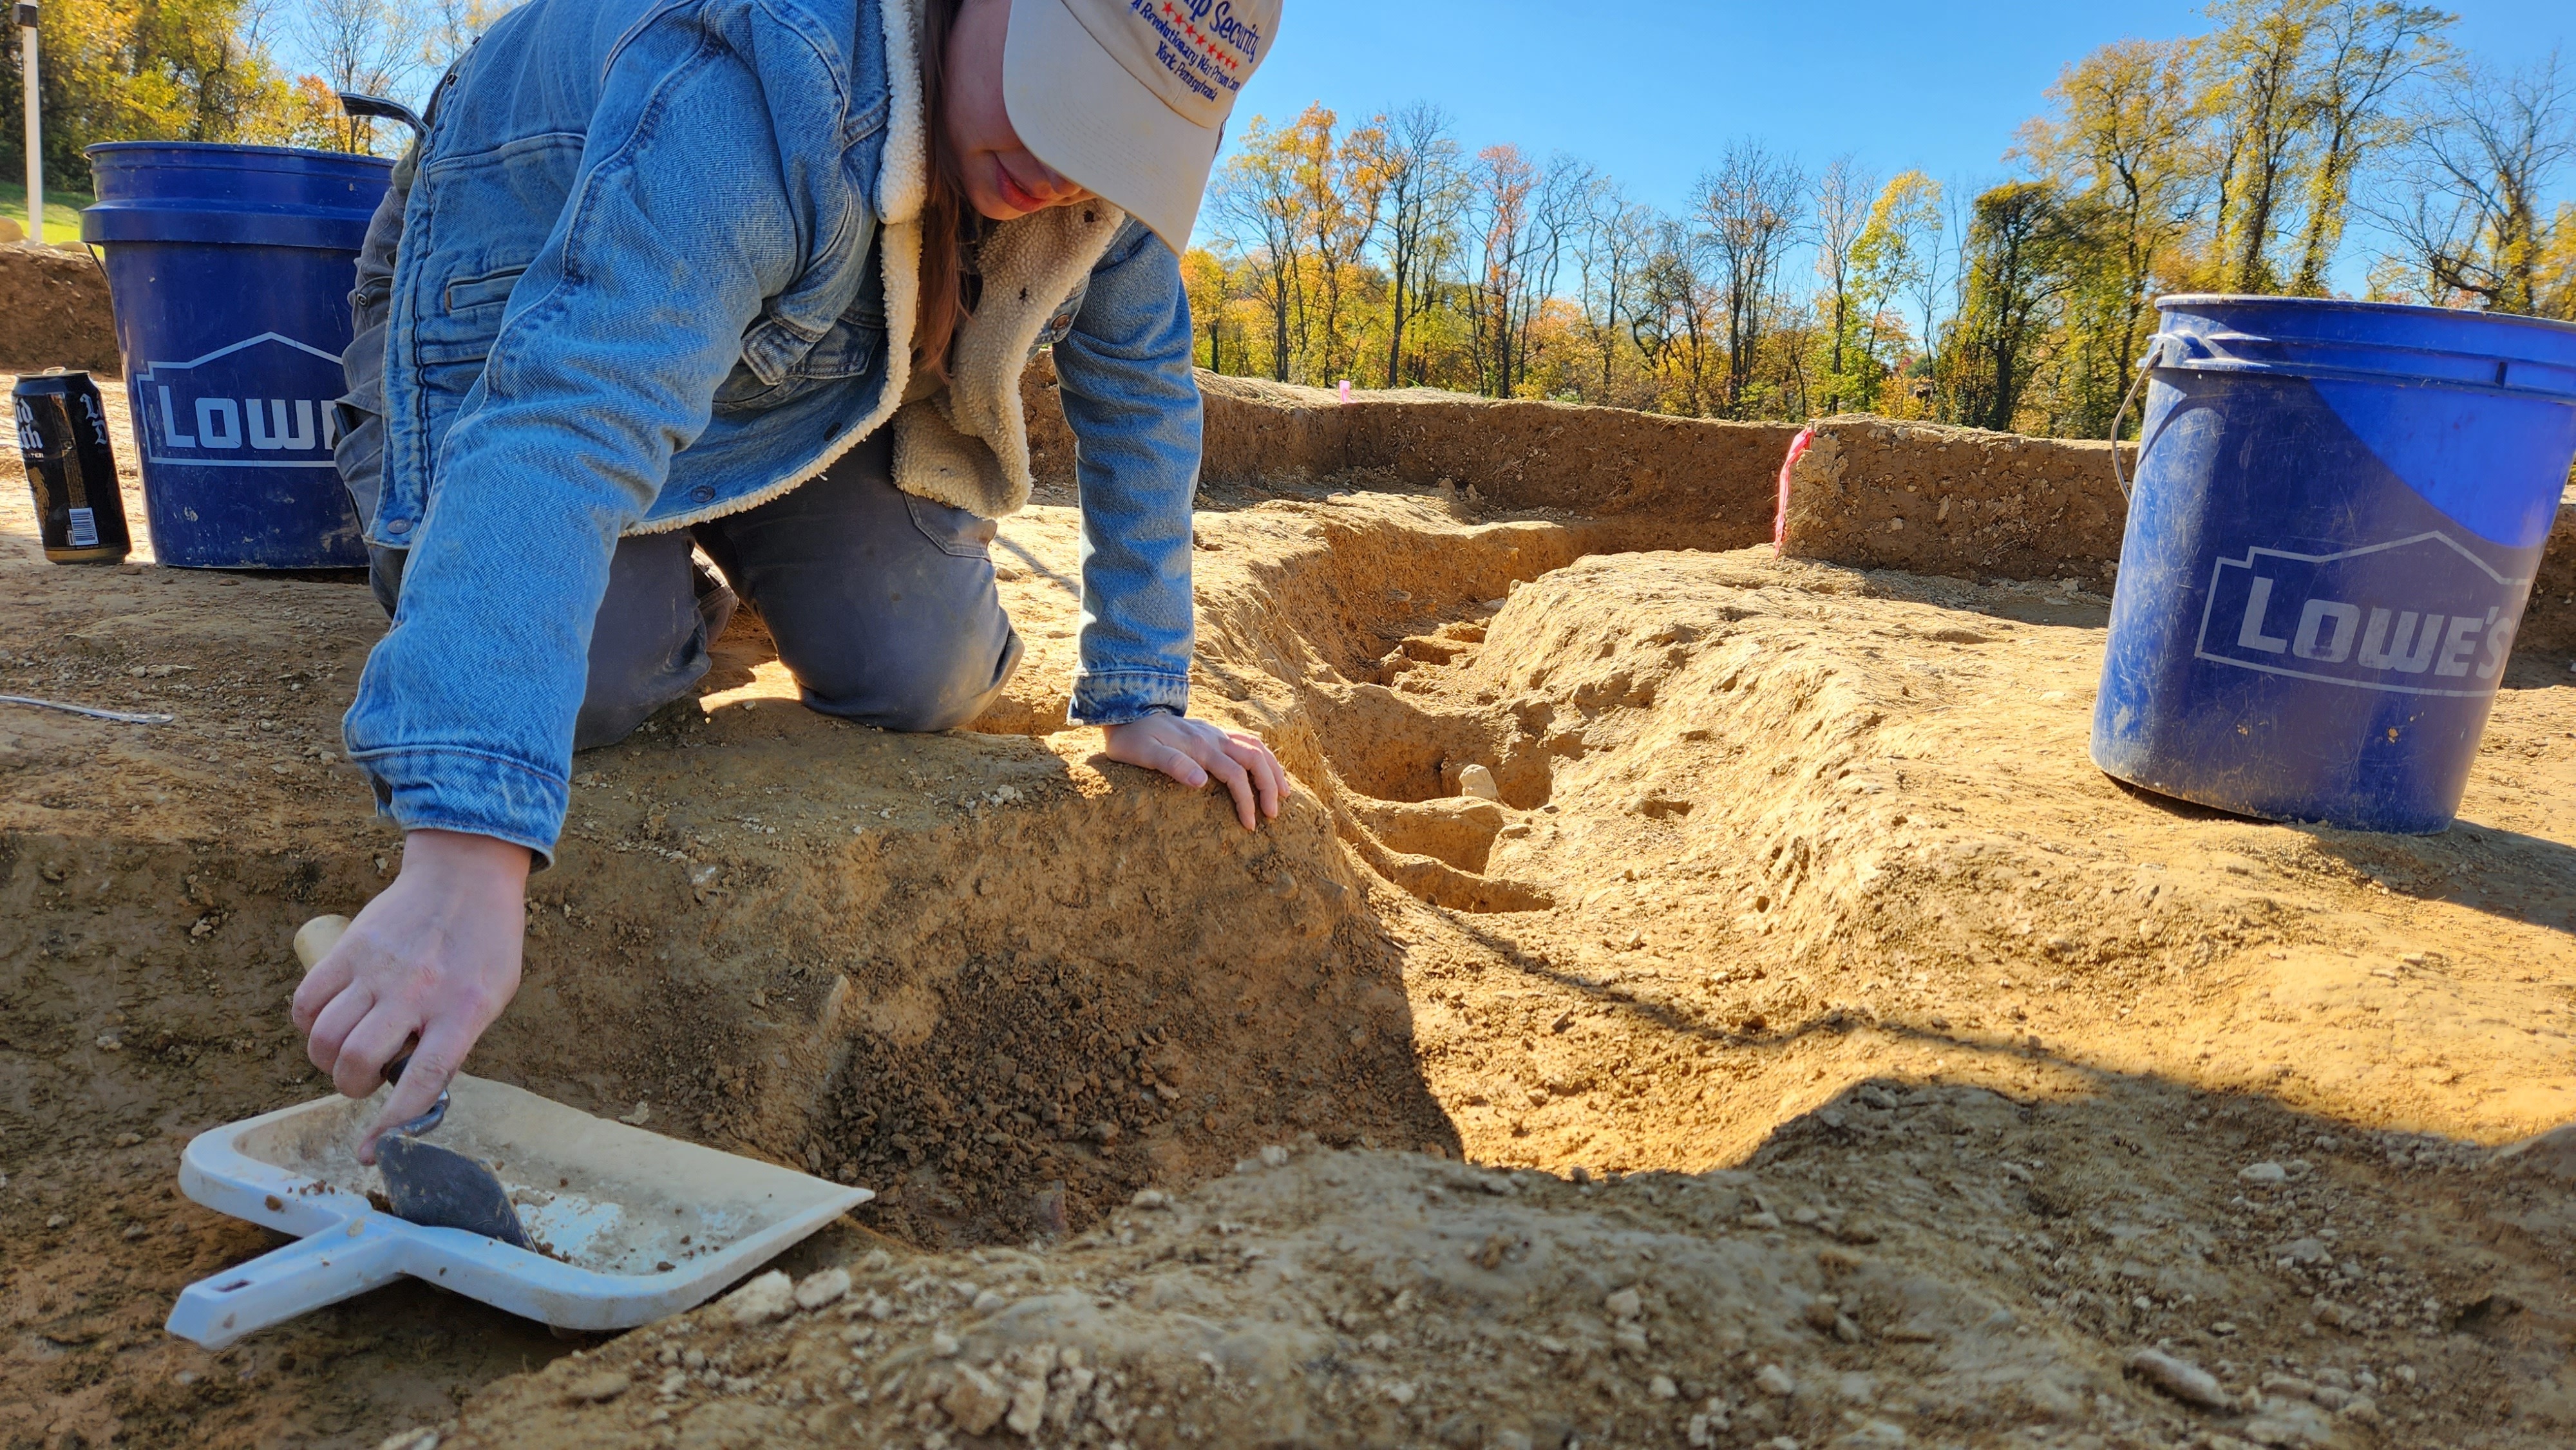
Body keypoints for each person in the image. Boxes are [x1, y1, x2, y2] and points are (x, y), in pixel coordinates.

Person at [293, 0, 1287, 1156]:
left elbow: (1144, 389)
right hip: (511, 277)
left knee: (928, 669)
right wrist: (463, 845)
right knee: (591, 686)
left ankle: (706, 556)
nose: (1069, 168)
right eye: (1067, 96)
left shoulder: (1088, 179)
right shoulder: (761, 72)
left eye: (1117, 133)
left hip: (785, 356)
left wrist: (1141, 685)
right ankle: (647, 584)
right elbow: (571, 411)